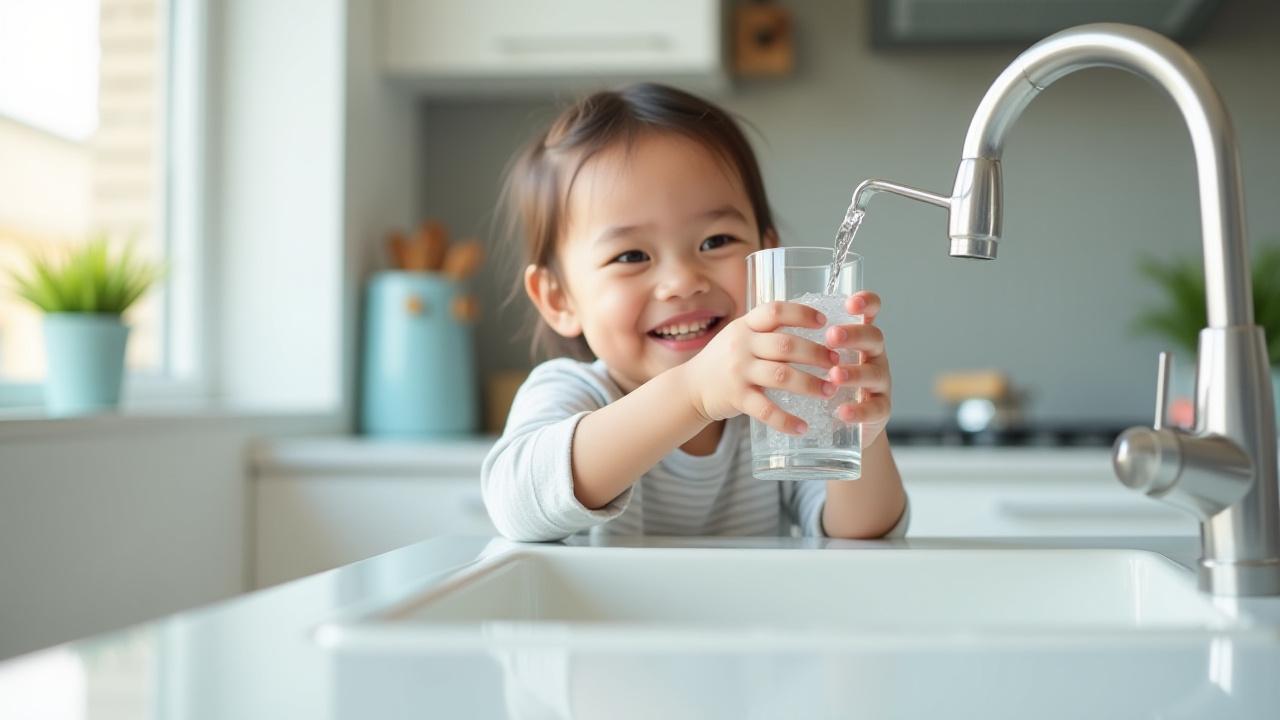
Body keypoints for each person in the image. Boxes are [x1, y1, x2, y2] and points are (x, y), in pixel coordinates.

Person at [481, 83, 908, 542]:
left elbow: (858, 539)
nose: (683, 280)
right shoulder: (572, 391)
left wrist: (862, 439)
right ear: (558, 299)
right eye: (630, 256)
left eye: (716, 241)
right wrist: (693, 392)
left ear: (766, 258)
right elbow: (517, 505)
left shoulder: (776, 407)